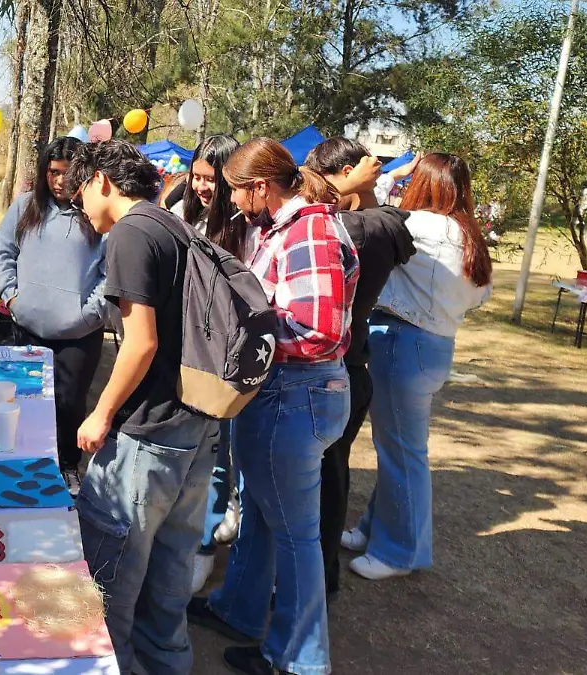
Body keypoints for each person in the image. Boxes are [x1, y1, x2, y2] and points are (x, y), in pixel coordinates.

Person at [188, 137, 359, 675]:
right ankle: (238, 607)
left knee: (295, 533)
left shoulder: (309, 231)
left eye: (238, 191)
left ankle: (299, 658)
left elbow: (318, 331)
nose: (233, 203)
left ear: (261, 186)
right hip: (280, 392)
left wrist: (239, 343)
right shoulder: (283, 229)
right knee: (260, 512)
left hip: (296, 391)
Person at [67, 139, 221, 675]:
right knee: (172, 562)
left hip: (152, 429)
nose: (80, 207)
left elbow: (140, 342)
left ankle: (113, 665)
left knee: (113, 563)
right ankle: (167, 663)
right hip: (196, 421)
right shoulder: (172, 223)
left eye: (79, 192)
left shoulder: (130, 233)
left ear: (102, 181)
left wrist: (101, 411)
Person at [343, 153, 492, 581]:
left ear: (422, 184)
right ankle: (375, 530)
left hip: (403, 344)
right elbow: (480, 297)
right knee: (399, 449)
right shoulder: (469, 235)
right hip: (436, 346)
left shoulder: (417, 224)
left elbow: (373, 220)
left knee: (403, 454)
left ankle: (398, 551)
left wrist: (386, 176)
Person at [303, 138, 418, 599]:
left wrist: (351, 187)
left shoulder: (347, 231)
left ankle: (315, 579)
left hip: (332, 369)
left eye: (321, 182)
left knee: (320, 484)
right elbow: (386, 216)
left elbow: (326, 222)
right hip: (355, 368)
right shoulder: (384, 224)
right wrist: (363, 187)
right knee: (333, 476)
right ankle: (322, 573)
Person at [0, 136, 106, 484]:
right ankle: (26, 466)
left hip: (78, 336)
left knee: (68, 407)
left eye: (68, 173)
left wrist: (88, 315)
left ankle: (68, 467)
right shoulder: (26, 207)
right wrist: (11, 297)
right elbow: (2, 252)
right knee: (25, 402)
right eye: (53, 172)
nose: (59, 181)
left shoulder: (96, 216)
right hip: (27, 328)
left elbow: (110, 273)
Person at [168, 133, 250, 594]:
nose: (200, 187)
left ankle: (203, 548)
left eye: (209, 179)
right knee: (194, 452)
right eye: (195, 177)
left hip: (224, 361)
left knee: (219, 456)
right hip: (186, 353)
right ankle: (189, 534)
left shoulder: (242, 227)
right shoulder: (185, 214)